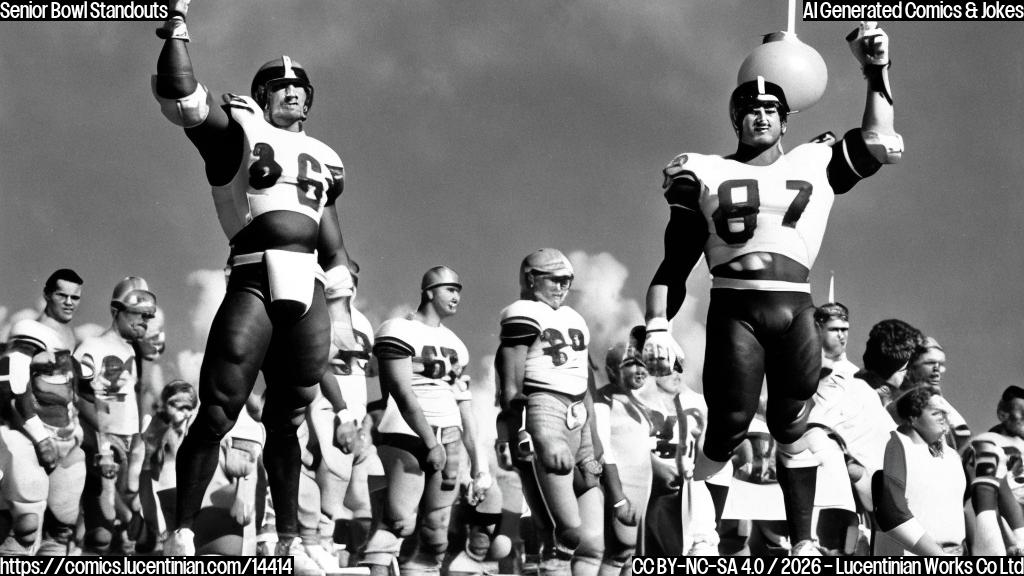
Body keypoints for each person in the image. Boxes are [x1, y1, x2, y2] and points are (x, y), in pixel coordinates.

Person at [642, 23, 902, 555]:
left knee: (791, 422)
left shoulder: (815, 160)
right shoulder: (703, 170)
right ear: (736, 118)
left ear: (786, 120)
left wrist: (875, 70)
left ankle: (803, 540)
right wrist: (656, 325)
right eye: (749, 110)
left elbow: (878, 140)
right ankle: (700, 534)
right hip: (736, 304)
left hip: (796, 304)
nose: (760, 117)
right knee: (730, 424)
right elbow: (675, 261)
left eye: (770, 110)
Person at [152, 1, 359, 560]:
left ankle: (291, 538)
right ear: (260, 94)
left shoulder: (324, 157)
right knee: (219, 408)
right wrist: (176, 29)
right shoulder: (240, 132)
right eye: (279, 84)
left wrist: (341, 311)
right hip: (255, 274)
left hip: (310, 286)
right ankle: (183, 531)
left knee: (289, 418)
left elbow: (334, 242)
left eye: (299, 86)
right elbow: (183, 100)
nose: (293, 91)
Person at [495, 249, 626, 576]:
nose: (562, 287)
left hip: (577, 414)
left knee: (592, 542)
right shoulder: (523, 311)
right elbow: (513, 389)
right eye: (554, 279)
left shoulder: (573, 318)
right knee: (563, 531)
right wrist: (529, 433)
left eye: (567, 280)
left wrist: (592, 437)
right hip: (545, 412)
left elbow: (584, 383)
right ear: (531, 278)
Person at [362, 266, 485, 576]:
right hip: (407, 431)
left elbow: (465, 408)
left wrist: (479, 465)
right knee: (400, 520)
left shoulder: (457, 344)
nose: (456, 295)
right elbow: (402, 392)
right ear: (428, 291)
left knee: (436, 529)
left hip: (449, 433)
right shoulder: (398, 329)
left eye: (459, 290)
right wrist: (431, 442)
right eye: (449, 288)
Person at [0, 269, 85, 555]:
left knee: (61, 532)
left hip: (64, 440)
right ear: (47, 294)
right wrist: (39, 437)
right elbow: (10, 386)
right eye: (63, 294)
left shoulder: (69, 335)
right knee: (25, 528)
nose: (70, 302)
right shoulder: (29, 329)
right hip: (28, 436)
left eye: (76, 297)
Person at [74, 276, 158, 554]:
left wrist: (138, 443)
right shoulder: (91, 347)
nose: (144, 322)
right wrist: (103, 442)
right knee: (101, 531)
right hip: (100, 444)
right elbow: (80, 397)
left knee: (125, 541)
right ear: (116, 311)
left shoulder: (131, 351)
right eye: (138, 314)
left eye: (148, 316)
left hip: (128, 445)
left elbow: (133, 400)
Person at [874, 386, 966, 556]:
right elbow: (891, 511)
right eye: (935, 413)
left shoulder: (952, 457)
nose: (944, 418)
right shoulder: (897, 444)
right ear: (913, 417)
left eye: (945, 413)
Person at [814, 302, 858, 378]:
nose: (841, 335)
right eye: (834, 329)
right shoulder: (804, 372)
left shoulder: (855, 375)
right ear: (819, 330)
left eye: (844, 329)